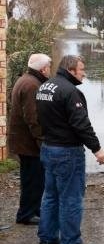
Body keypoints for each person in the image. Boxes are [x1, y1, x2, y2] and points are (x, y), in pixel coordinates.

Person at [36, 55, 104, 244]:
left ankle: (48, 241)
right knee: (71, 198)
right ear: (71, 70)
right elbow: (81, 125)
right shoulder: (70, 92)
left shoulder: (44, 87)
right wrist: (97, 149)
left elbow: (39, 117)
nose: (84, 73)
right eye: (81, 69)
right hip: (67, 152)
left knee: (50, 196)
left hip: (48, 148)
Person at [8, 53, 52, 226]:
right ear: (42, 69)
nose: (50, 70)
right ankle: (26, 214)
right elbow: (33, 118)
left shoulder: (26, 79)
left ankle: (32, 210)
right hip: (28, 143)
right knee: (33, 179)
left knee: (32, 178)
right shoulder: (32, 85)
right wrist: (43, 142)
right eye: (49, 67)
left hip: (23, 141)